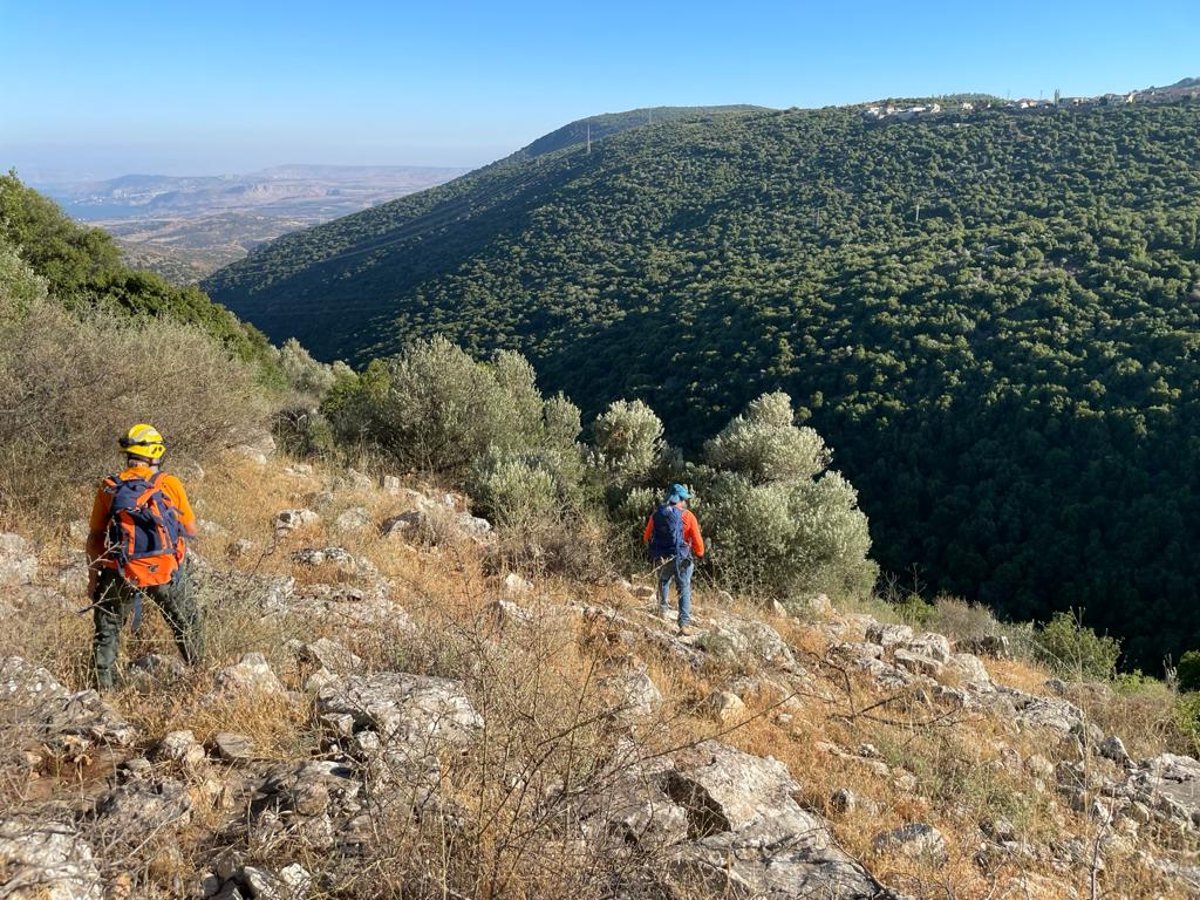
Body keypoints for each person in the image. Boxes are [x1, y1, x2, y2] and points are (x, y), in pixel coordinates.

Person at [86, 424, 202, 689]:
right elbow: (191, 530)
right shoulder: (168, 483)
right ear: (156, 453)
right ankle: (200, 677)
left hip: (120, 569)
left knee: (108, 630)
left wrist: (94, 579)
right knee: (187, 622)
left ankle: (104, 694)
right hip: (164, 569)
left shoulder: (109, 487)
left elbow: (94, 538)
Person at [642, 483, 705, 636]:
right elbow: (698, 543)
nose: (686, 502)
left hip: (662, 557)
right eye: (685, 499)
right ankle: (683, 623)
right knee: (683, 588)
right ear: (681, 500)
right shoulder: (688, 516)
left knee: (663, 581)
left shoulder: (657, 514)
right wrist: (699, 553)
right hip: (682, 558)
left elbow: (646, 536)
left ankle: (662, 611)